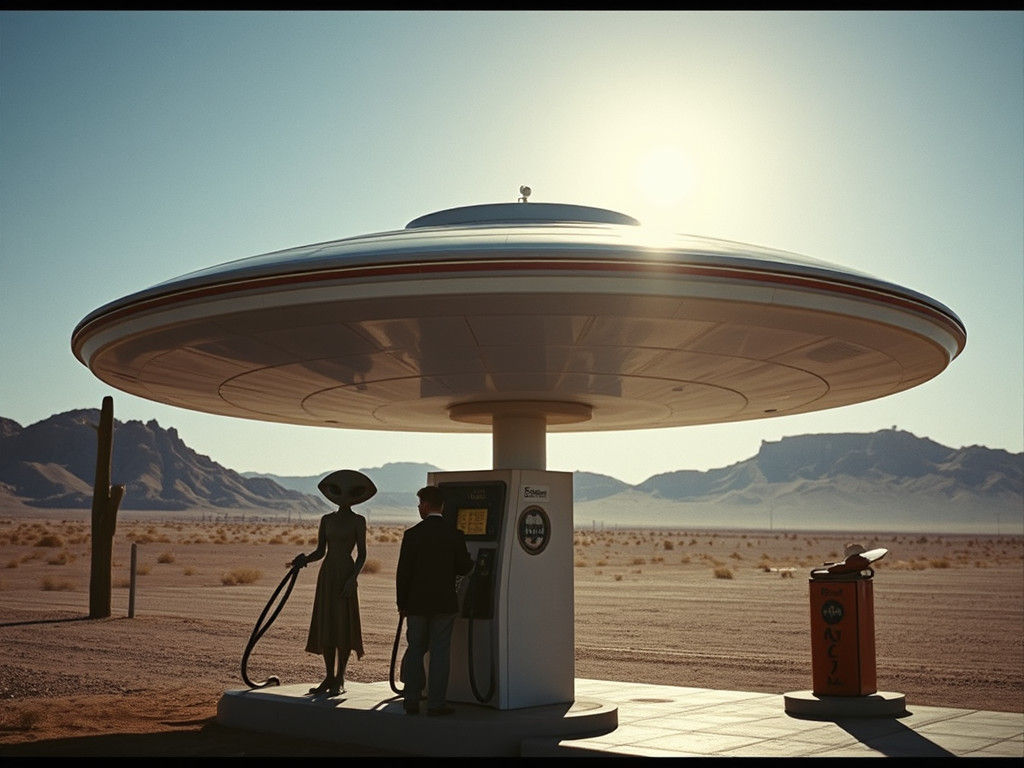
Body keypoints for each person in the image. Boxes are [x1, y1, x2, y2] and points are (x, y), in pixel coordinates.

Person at [290, 469, 375, 697]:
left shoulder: (358, 520)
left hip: (346, 573)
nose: (343, 497)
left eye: (349, 492)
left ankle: (341, 676)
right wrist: (304, 560)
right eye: (338, 492)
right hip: (327, 574)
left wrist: (352, 579)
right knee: (327, 622)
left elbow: (362, 554)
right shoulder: (327, 519)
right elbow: (320, 551)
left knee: (343, 625)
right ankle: (328, 676)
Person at [396, 485, 474, 716]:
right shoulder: (454, 534)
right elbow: (464, 566)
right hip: (444, 603)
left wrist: (402, 603)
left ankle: (411, 699)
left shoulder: (412, 535)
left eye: (420, 504)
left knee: (415, 648)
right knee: (440, 652)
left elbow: (403, 573)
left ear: (427, 505)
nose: (419, 508)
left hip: (416, 604)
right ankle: (436, 703)